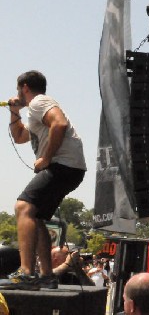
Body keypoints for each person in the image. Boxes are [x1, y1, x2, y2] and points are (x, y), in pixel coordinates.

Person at [1, 71, 86, 290]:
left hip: (63, 165)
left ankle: (27, 273)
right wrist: (14, 112)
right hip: (71, 168)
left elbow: (59, 124)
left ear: (25, 87)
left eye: (18, 89)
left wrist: (46, 158)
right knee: (36, 217)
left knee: (23, 207)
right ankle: (46, 276)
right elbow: (19, 137)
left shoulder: (39, 102)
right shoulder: (35, 113)